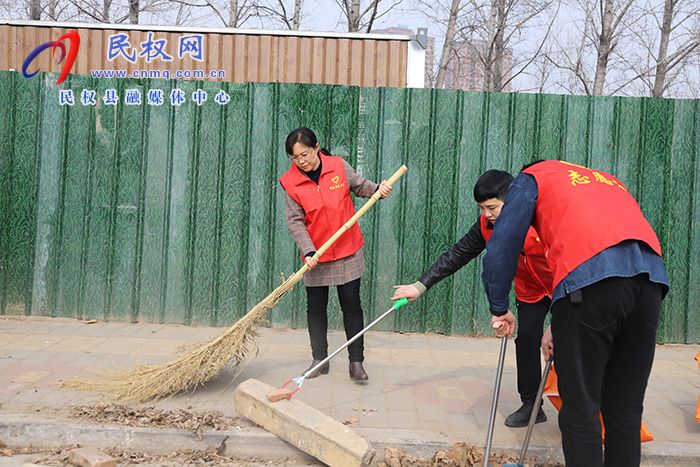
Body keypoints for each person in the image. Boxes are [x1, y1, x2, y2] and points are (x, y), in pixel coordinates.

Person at [482, 160, 668, 467]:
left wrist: (500, 307)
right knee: (625, 408)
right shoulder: (605, 179)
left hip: (590, 286)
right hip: (650, 284)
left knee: (580, 407)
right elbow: (611, 258)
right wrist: (560, 320)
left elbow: (502, 244)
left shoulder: (532, 177)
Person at [391, 169, 554, 426]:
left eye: (492, 207)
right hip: (531, 291)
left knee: (567, 342)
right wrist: (420, 286)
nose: (487, 214)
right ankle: (532, 405)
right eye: (482, 208)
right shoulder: (485, 225)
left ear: (512, 200)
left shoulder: (541, 220)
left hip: (563, 286)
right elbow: (458, 254)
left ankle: (577, 406)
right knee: (526, 340)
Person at [279, 127, 392, 382]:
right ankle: (320, 359)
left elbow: (361, 186)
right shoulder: (290, 182)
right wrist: (308, 250)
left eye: (305, 154)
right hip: (316, 253)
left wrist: (378, 189)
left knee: (351, 305)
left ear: (317, 148)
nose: (302, 161)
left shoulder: (338, 166)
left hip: (347, 248)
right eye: (295, 158)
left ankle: (356, 362)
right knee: (316, 308)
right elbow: (295, 221)